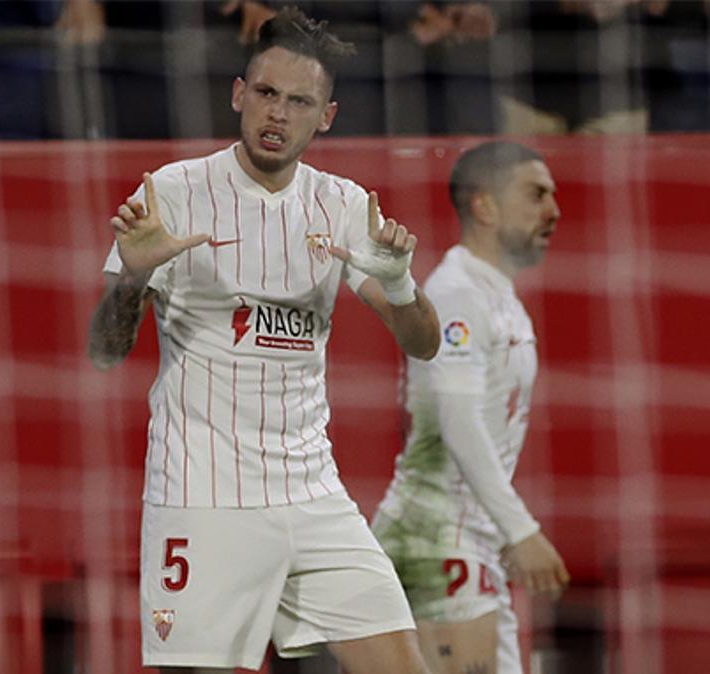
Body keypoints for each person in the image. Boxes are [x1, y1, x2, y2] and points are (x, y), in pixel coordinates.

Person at [87, 9, 441, 673]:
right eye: (267, 94)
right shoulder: (173, 192)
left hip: (313, 493)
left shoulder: (342, 204)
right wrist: (133, 277)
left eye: (299, 101)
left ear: (326, 115)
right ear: (238, 94)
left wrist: (397, 285)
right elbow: (105, 350)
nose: (277, 114)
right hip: (203, 495)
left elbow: (423, 344)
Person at [371, 141, 570, 674]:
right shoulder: (457, 293)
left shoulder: (498, 294)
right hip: (437, 535)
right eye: (536, 194)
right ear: (485, 206)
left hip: (470, 538)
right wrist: (520, 529)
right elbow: (459, 424)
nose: (553, 209)